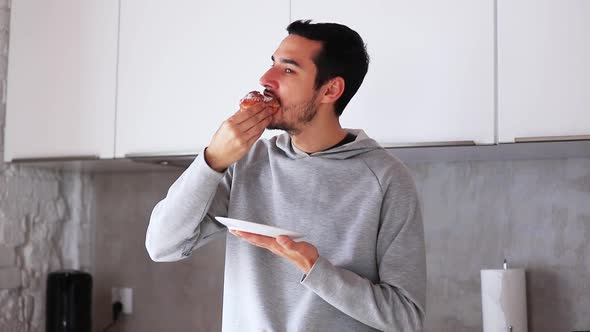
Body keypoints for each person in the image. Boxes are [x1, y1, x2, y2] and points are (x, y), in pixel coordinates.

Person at [146, 20, 426, 331]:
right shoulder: (247, 161)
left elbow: (406, 319)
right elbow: (162, 245)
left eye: (288, 70)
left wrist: (315, 268)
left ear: (331, 89)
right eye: (273, 64)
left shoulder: (386, 179)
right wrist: (212, 160)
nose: (266, 79)